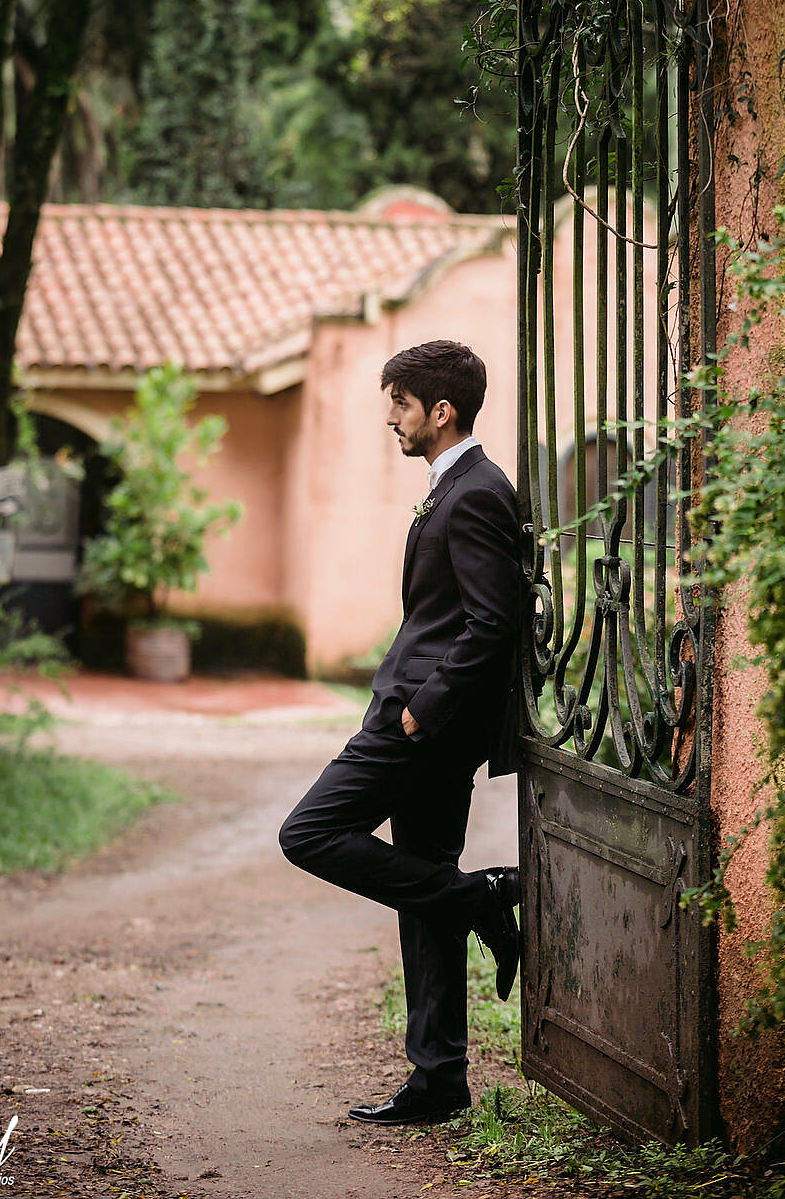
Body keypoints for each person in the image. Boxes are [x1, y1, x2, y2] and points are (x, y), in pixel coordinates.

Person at [278, 338, 530, 1126]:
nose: (391, 417)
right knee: (422, 886)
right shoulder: (453, 486)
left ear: (439, 410)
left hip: (422, 724)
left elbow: (492, 623)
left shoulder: (478, 491)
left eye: (400, 402)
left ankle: (480, 895)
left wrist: (423, 707)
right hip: (418, 714)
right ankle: (438, 1080)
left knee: (308, 831)